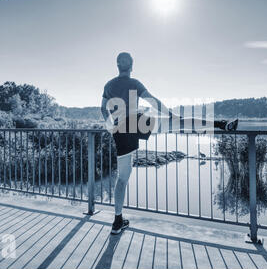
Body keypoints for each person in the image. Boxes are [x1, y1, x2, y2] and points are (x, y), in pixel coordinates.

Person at [101, 52, 238, 235]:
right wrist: (170, 115)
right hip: (136, 122)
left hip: (120, 130)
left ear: (117, 66)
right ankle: (221, 124)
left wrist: (110, 126)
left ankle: (117, 221)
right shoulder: (134, 83)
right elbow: (153, 101)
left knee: (122, 178)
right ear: (131, 66)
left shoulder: (109, 85)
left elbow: (103, 108)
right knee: (180, 123)